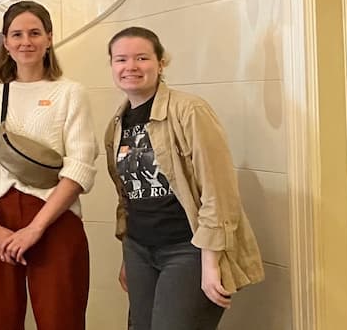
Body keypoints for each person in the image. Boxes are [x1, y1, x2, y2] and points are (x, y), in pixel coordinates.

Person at [104, 26, 264, 330]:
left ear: (161, 63)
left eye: (142, 58)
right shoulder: (117, 123)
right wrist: (128, 255)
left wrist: (210, 262)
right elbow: (128, 196)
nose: (131, 67)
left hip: (187, 248)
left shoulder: (189, 111)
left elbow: (219, 191)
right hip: (139, 249)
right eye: (121, 59)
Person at [0, 0, 97, 330]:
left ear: (49, 38)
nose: (26, 42)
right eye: (17, 34)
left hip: (54, 219)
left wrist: (36, 228)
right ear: (5, 42)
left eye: (35, 33)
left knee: (61, 319)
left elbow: (79, 166)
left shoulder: (70, 93)